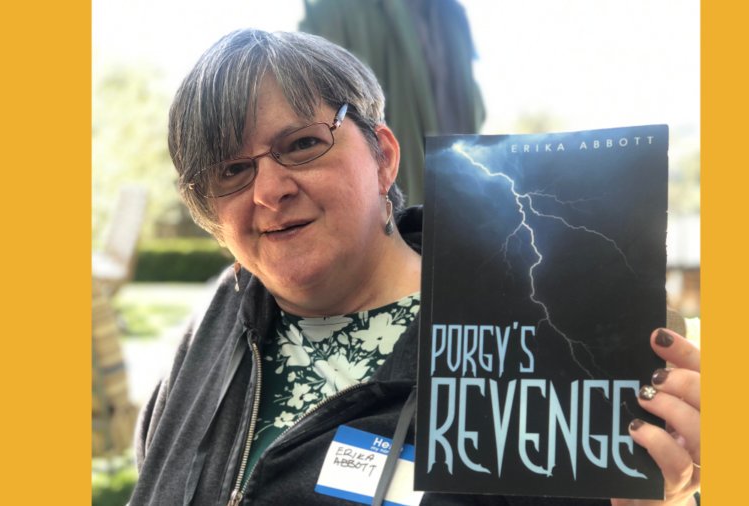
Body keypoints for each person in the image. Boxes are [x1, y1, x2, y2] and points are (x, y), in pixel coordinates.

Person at [131, 29, 700, 506]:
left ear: (383, 157)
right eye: (231, 170)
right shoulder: (213, 331)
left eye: (302, 144)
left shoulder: (545, 331)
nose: (270, 191)